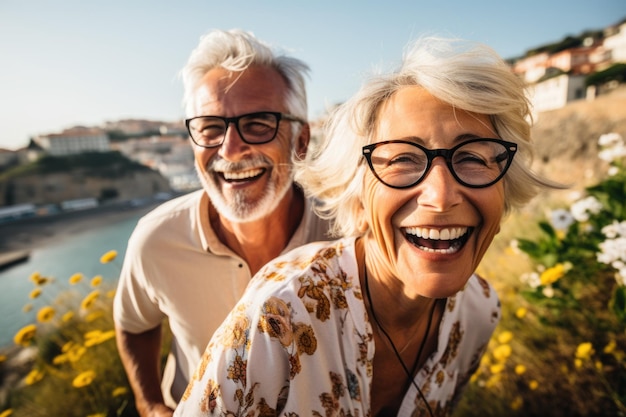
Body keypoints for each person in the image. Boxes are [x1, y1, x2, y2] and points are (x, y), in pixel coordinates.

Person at [174, 36, 564, 417]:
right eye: (402, 160)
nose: (441, 196)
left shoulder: (479, 312)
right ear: (356, 194)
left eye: (473, 158)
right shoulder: (279, 317)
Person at [113, 29, 332, 417]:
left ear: (300, 140)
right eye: (210, 127)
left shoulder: (345, 235)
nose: (230, 149)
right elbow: (134, 323)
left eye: (260, 123)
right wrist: (149, 404)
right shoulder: (156, 240)